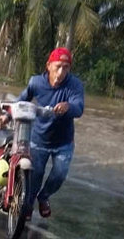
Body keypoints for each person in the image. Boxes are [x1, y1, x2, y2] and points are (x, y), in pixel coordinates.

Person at [15, 47, 84, 219]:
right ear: (48, 65)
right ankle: (28, 204)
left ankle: (44, 196)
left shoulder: (74, 85)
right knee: (35, 174)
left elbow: (79, 107)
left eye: (66, 68)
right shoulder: (36, 83)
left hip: (64, 142)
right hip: (38, 138)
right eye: (58, 66)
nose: (61, 72)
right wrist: (7, 115)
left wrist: (68, 106)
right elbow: (21, 102)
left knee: (59, 175)